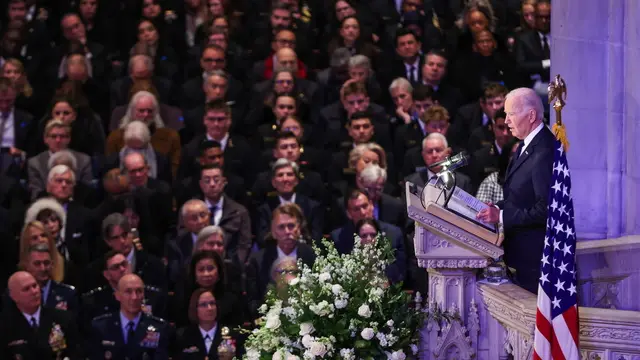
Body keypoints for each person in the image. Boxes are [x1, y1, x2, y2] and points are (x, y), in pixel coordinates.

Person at [476, 87, 556, 294]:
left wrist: (501, 215)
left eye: (511, 114)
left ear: (530, 116)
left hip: (536, 261)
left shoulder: (544, 150)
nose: (507, 120)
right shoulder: (525, 145)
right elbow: (521, 197)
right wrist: (496, 207)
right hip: (522, 256)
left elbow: (546, 209)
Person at [0, 271, 82, 359]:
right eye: (26, 289)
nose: (34, 291)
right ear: (13, 296)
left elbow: (76, 353)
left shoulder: (63, 318)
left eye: (35, 286)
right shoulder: (5, 326)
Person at [88, 273, 170, 360]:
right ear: (117, 295)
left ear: (143, 295)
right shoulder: (101, 327)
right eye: (128, 291)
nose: (134, 297)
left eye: (139, 291)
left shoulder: (159, 328)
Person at [173, 288, 240, 359]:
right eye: (203, 305)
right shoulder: (183, 336)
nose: (210, 308)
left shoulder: (232, 335)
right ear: (195, 308)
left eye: (212, 303)